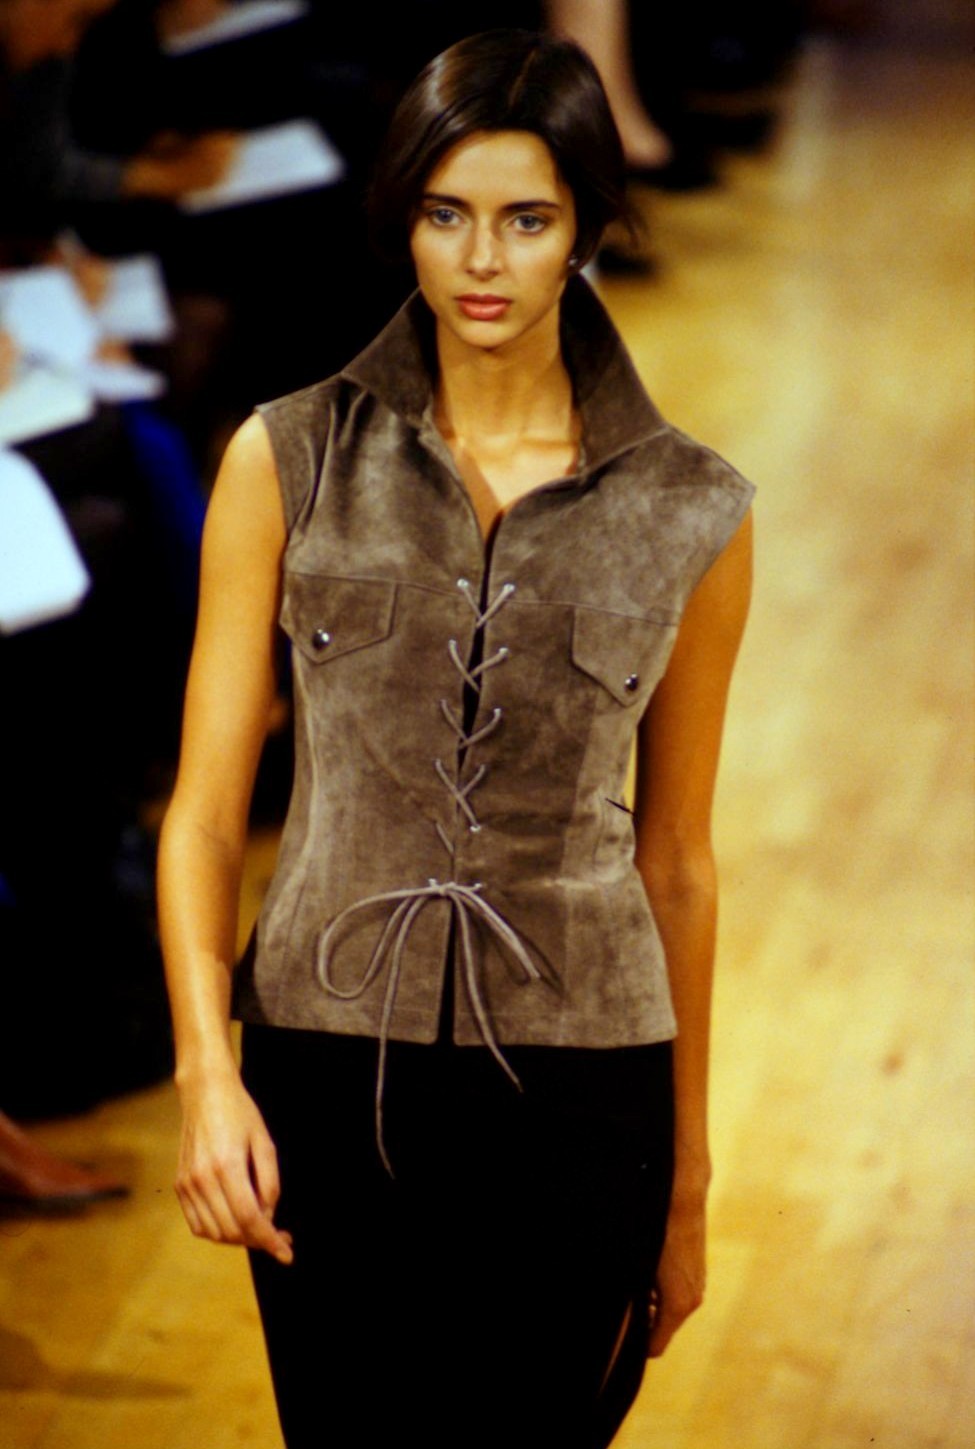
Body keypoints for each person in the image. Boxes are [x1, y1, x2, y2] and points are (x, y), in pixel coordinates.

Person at [158, 28, 754, 1449]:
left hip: (587, 1082)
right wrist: (204, 1075)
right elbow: (204, 812)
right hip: (323, 1066)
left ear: (588, 228)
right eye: (447, 213)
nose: (482, 259)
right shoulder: (284, 460)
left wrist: (687, 1181)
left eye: (527, 219)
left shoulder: (693, 510)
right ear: (403, 221)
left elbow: (678, 860)